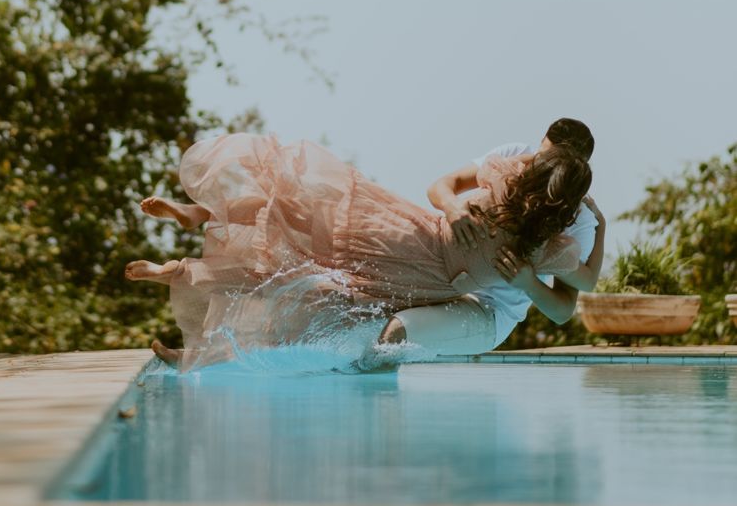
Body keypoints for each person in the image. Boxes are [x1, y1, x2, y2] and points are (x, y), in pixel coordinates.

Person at [125, 118, 603, 370]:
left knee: (314, 262)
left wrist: (594, 232)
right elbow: (441, 188)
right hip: (424, 255)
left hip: (441, 272)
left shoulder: (542, 215)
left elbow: (572, 296)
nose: (533, 161)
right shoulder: (515, 181)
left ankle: (198, 297)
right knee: (312, 231)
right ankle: (203, 218)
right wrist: (455, 210)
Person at [360, 118, 605, 364]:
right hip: (440, 275)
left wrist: (529, 283)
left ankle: (374, 399)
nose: (539, 166)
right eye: (541, 154)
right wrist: (451, 206)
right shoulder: (514, 157)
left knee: (397, 331)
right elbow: (442, 186)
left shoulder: (578, 218)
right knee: (357, 300)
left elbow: (563, 311)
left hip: (489, 311)